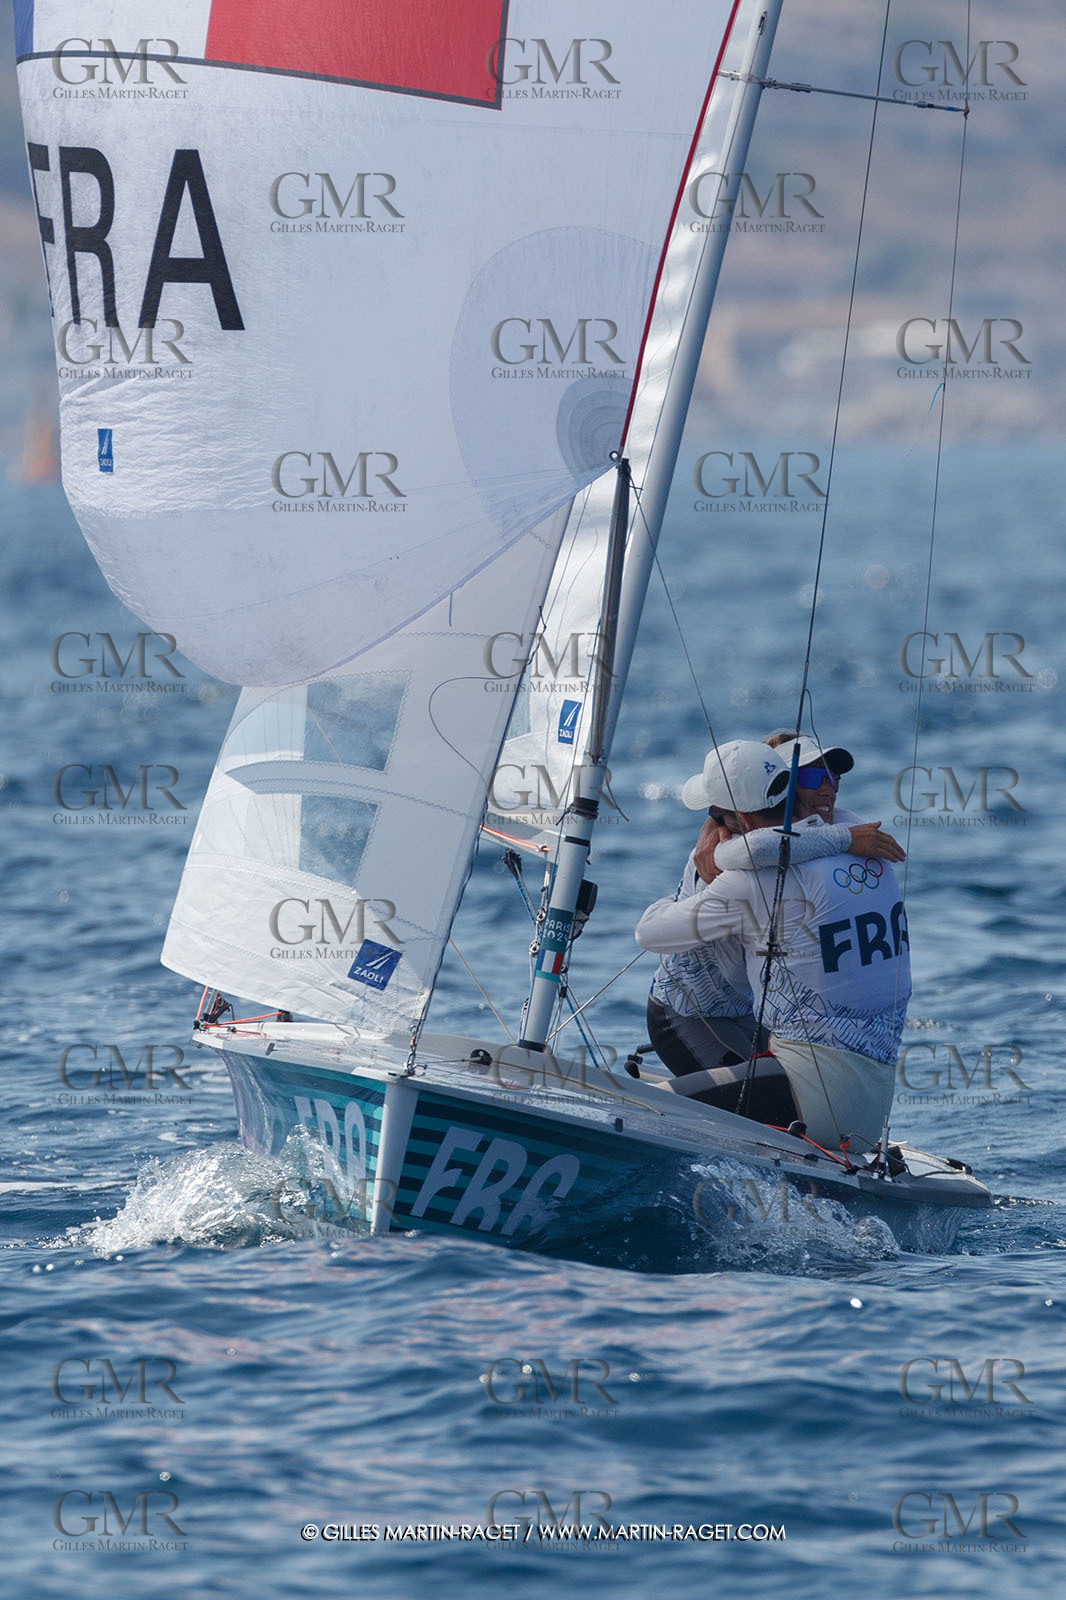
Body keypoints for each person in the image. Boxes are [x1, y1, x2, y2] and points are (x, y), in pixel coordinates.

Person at [637, 740, 911, 1153]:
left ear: (736, 816)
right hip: (869, 1110)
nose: (828, 788)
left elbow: (649, 934)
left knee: (646, 1112)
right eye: (812, 777)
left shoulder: (750, 876)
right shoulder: (864, 841)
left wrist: (687, 881)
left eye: (831, 776)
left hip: (808, 1093)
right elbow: (772, 842)